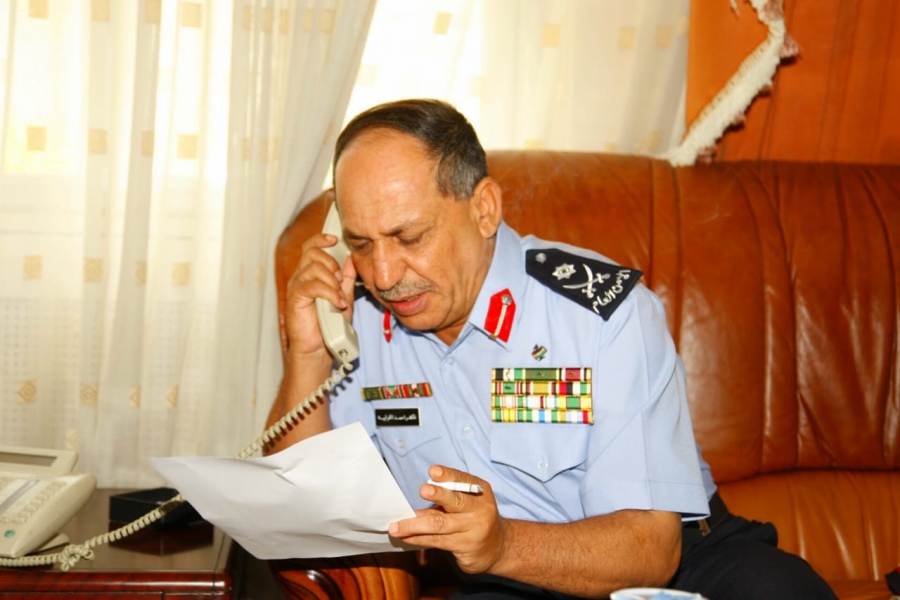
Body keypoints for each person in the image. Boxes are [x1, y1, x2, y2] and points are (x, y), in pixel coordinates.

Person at [266, 99, 837, 600]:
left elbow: (650, 547)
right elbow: (301, 502)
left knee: (780, 591)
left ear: (484, 209)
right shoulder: (360, 320)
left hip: (676, 559)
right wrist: (309, 355)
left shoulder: (602, 312)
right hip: (507, 582)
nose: (386, 275)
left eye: (410, 238)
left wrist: (503, 544)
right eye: (361, 244)